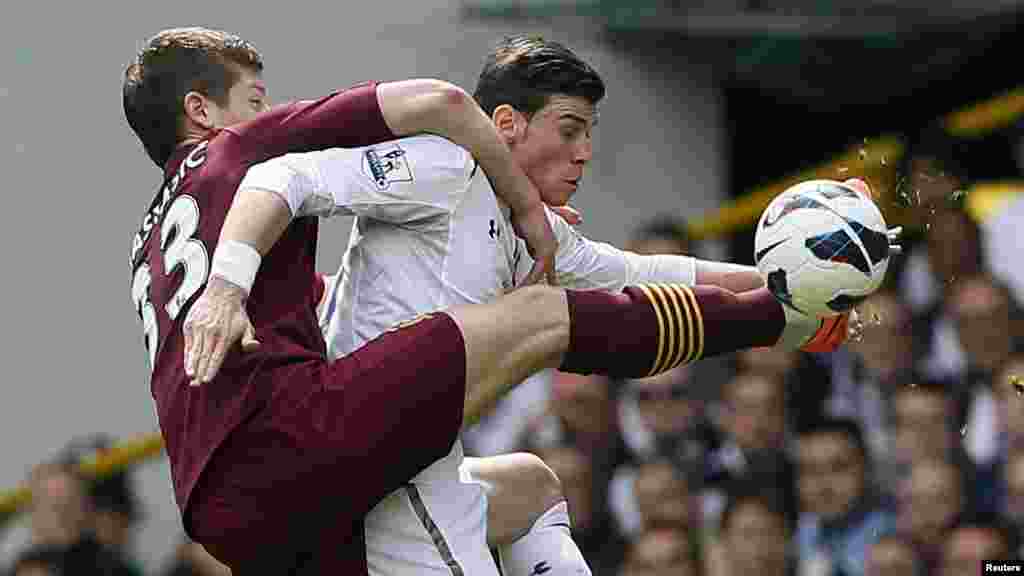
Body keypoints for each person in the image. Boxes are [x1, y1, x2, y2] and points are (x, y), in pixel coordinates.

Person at [204, 36, 885, 575]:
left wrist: (804, 277)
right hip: (379, 465)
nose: (585, 152)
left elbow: (652, 272)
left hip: (420, 462)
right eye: (570, 128)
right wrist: (226, 284)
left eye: (590, 132)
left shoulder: (541, 232)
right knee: (545, 324)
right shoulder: (444, 165)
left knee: (531, 485)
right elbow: (285, 173)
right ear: (505, 124)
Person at [124, 26, 560, 573]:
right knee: (544, 315)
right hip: (286, 450)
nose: (271, 109)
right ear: (201, 111)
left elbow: (308, 305)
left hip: (215, 507)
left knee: (528, 486)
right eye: (255, 100)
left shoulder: (149, 242)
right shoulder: (237, 149)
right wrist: (525, 206)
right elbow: (442, 101)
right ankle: (696, 307)